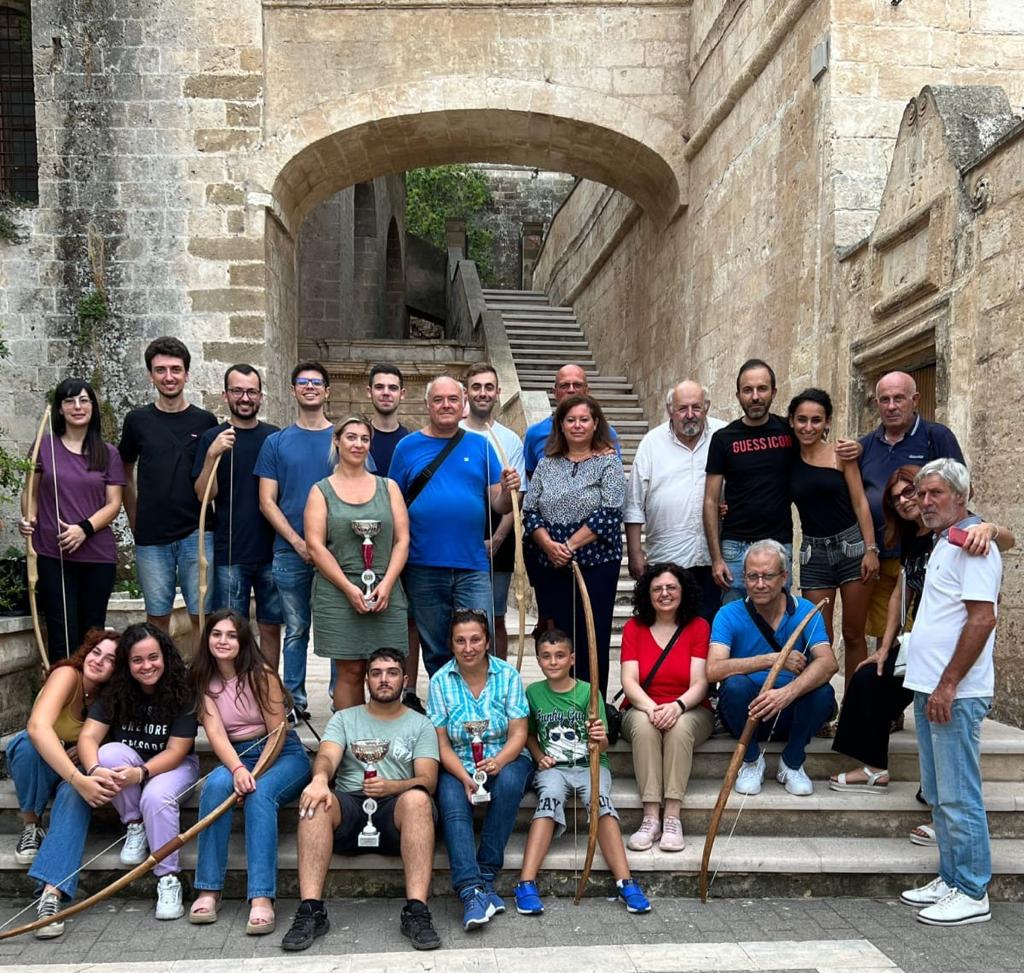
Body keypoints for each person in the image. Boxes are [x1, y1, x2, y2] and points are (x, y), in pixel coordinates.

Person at [830, 466, 1012, 795]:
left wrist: (991, 528)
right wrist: (884, 648)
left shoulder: (961, 531)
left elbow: (1007, 542)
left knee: (946, 755)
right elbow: (901, 593)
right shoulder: (916, 537)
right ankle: (879, 770)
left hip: (949, 651)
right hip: (920, 644)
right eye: (896, 498)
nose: (906, 501)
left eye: (910, 492)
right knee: (869, 676)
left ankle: (935, 797)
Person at [29, 623, 199, 936]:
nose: (146, 666)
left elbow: (177, 751)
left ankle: (167, 877)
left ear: (165, 656)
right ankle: (134, 824)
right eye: (137, 660)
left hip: (170, 767)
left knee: (155, 796)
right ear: (126, 664)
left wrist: (141, 773)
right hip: (126, 768)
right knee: (107, 755)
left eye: (153, 657)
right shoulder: (116, 691)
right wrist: (92, 770)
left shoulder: (181, 690)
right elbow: (89, 738)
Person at [280, 648, 441, 952]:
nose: (384, 679)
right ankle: (311, 911)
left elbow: (428, 780)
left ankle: (417, 912)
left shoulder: (420, 724)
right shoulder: (345, 718)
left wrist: (392, 786)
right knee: (316, 802)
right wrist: (319, 779)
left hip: (396, 809)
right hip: (351, 804)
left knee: (419, 801)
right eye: (376, 673)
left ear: (405, 680)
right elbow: (327, 756)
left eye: (392, 673)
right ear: (367, 680)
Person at [898, 459, 1002, 926]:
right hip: (930, 687)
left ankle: (973, 890)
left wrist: (948, 683)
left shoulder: (975, 545)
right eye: (921, 494)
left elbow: (982, 619)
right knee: (940, 794)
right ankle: (951, 877)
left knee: (960, 796)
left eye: (935, 493)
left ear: (962, 496)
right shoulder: (947, 539)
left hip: (954, 692)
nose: (924, 502)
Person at [189, 610, 311, 934]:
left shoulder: (261, 674)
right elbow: (216, 734)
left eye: (231, 635)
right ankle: (209, 889)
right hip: (237, 754)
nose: (223, 641)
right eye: (216, 634)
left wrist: (251, 776)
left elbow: (277, 733)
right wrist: (237, 769)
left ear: (243, 641)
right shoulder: (202, 678)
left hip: (281, 753)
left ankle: (261, 896)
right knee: (215, 787)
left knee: (260, 795)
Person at [389, 376, 520, 676]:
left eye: (452, 399)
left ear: (463, 404)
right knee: (435, 646)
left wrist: (506, 489)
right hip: (422, 564)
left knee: (479, 640)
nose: (446, 405)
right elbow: (393, 502)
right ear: (427, 404)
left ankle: (479, 699)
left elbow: (498, 504)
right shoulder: (406, 447)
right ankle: (444, 700)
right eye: (438, 399)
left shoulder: (480, 445)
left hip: (472, 564)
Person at [515, 629, 651, 916]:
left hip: (591, 764)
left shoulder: (589, 691)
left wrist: (599, 738)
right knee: (548, 800)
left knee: (600, 802)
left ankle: (625, 881)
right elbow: (529, 734)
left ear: (572, 659)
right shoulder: (533, 693)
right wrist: (539, 757)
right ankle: (526, 882)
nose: (553, 662)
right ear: (538, 660)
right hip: (555, 768)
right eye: (546, 656)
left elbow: (603, 743)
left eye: (560, 655)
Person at [427, 609, 532, 930]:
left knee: (510, 782)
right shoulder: (440, 681)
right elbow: (441, 742)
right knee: (451, 800)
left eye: (475, 639)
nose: (468, 647)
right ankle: (471, 889)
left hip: (506, 757)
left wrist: (499, 761)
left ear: (487, 641)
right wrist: (462, 775)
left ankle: (486, 872)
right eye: (460, 641)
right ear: (451, 644)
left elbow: (519, 733)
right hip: (458, 761)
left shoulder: (507, 675)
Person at [707, 540, 837, 796]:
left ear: (784, 577)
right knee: (733, 686)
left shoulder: (806, 610)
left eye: (768, 576)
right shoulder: (728, 614)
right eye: (752, 576)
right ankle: (751, 760)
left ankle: (792, 762)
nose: (760, 584)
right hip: (747, 713)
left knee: (823, 692)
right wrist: (772, 659)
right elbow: (713, 670)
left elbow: (828, 662)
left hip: (792, 713)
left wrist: (787, 693)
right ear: (744, 578)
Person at [305, 415, 410, 710]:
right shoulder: (320, 491)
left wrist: (387, 584)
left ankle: (384, 733)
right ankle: (349, 736)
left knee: (388, 669)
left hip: (385, 588)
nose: (358, 444)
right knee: (350, 671)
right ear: (337, 441)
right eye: (351, 437)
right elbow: (315, 545)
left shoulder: (388, 487)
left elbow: (402, 540)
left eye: (364, 439)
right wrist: (349, 589)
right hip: (338, 591)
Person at [522, 393, 623, 697]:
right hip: (551, 566)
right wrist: (549, 546)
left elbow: (610, 512)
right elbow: (530, 511)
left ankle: (592, 704)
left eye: (584, 419)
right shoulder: (546, 464)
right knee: (558, 637)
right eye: (571, 420)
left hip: (596, 565)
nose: (577, 425)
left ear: (595, 424)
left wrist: (567, 545)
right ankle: (560, 702)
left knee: (593, 634)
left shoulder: (608, 462)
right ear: (561, 425)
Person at [19, 380, 125, 662]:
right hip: (52, 552)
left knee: (93, 635)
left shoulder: (108, 453)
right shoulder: (44, 446)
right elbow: (30, 493)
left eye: (83, 400)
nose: (77, 407)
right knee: (61, 633)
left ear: (93, 407)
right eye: (69, 401)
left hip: (97, 555)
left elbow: (114, 504)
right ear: (60, 409)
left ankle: (89, 689)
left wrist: (83, 529)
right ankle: (63, 688)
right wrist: (29, 519)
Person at [118, 337, 218, 638]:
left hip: (197, 532)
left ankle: (202, 669)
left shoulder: (205, 421)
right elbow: (125, 470)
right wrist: (134, 518)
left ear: (187, 374)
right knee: (157, 617)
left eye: (176, 369)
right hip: (152, 536)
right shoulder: (137, 421)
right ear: (151, 375)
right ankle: (161, 670)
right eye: (160, 370)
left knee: (202, 616)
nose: (169, 377)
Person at [857, 371, 964, 643]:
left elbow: (963, 489)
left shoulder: (935, 436)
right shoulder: (865, 445)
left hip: (927, 554)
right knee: (886, 636)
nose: (891, 406)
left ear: (915, 400)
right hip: (882, 556)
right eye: (884, 400)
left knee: (925, 632)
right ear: (877, 404)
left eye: (899, 398)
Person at [255, 361, 335, 718]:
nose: (310, 387)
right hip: (289, 552)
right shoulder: (276, 442)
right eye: (303, 381)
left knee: (335, 627)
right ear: (293, 390)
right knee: (295, 629)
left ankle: (340, 698)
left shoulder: (342, 439)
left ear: (327, 391)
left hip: (336, 552)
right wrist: (298, 542)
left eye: (317, 382)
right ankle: (294, 701)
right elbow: (267, 501)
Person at [193, 364, 282, 668]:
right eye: (237, 391)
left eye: (251, 392)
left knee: (271, 626)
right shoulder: (213, 437)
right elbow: (204, 494)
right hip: (231, 551)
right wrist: (212, 455)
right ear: (225, 395)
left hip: (271, 550)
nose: (245, 398)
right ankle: (234, 687)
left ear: (261, 396)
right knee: (230, 630)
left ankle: (268, 685)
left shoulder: (274, 437)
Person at [619, 564, 713, 852]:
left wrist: (677, 706)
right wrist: (652, 709)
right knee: (646, 727)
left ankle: (672, 817)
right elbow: (629, 681)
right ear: (647, 594)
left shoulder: (698, 627)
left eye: (671, 587)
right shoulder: (634, 628)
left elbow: (700, 682)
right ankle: (650, 818)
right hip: (641, 706)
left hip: (690, 707)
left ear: (683, 591)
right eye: (657, 588)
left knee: (679, 727)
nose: (664, 593)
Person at [787, 388, 878, 685]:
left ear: (827, 422)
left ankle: (855, 705)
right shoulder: (787, 460)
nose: (808, 427)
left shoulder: (841, 454)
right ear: (792, 421)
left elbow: (860, 502)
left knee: (853, 633)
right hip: (813, 553)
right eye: (802, 419)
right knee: (819, 638)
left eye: (816, 420)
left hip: (852, 546)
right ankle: (824, 705)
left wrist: (871, 549)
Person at [5, 629, 119, 865]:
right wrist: (78, 780)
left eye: (110, 659)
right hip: (38, 762)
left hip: (74, 765)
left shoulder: (109, 696)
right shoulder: (67, 674)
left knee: (78, 784)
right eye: (96, 652)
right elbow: (37, 727)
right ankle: (32, 825)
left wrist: (87, 746)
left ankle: (55, 866)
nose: (98, 661)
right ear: (86, 652)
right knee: (26, 744)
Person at [625, 380, 726, 623]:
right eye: (682, 408)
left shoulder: (723, 435)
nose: (690, 414)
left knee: (709, 628)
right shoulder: (652, 443)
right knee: (669, 628)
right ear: (670, 410)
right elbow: (634, 502)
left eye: (696, 407)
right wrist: (635, 553)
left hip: (714, 559)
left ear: (706, 407)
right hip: (668, 559)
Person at [703, 360, 795, 605]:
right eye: (747, 390)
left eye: (762, 389)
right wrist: (716, 558)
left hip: (779, 544)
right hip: (735, 547)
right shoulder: (723, 439)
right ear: (738, 395)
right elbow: (711, 500)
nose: (755, 397)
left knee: (778, 620)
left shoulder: (789, 432)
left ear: (774, 392)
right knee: (735, 620)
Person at [460, 362, 527, 660]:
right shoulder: (454, 433)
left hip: (498, 535)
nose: (483, 393)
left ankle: (498, 676)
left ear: (498, 392)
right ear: (466, 393)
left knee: (496, 615)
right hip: (461, 537)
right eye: (476, 387)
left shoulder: (510, 439)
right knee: (462, 617)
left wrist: (498, 538)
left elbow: (516, 494)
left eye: (489, 387)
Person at [522, 363, 620, 477]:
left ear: (587, 391)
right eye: (564, 385)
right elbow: (531, 476)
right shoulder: (534, 434)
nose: (571, 390)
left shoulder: (606, 433)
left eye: (577, 385)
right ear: (554, 392)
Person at [366, 363, 411, 477]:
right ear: (369, 392)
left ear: (402, 394)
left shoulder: (410, 442)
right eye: (379, 387)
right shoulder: (358, 441)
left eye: (393, 388)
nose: (386, 393)